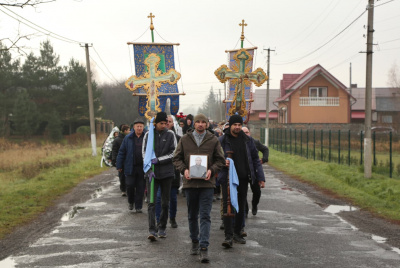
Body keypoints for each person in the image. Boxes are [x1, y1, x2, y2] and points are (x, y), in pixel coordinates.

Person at [173, 113, 225, 263]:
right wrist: (184, 170)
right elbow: (176, 158)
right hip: (190, 184)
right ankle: (194, 241)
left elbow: (220, 160)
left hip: (207, 184)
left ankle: (204, 247)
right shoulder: (185, 140)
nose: (200, 124)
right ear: (194, 124)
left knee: (205, 216)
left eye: (203, 122)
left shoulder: (213, 140)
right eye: (198, 122)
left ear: (207, 124)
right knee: (192, 215)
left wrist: (212, 170)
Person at [218, 115, 265, 248]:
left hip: (243, 179)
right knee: (228, 206)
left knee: (239, 206)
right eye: (235, 125)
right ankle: (228, 236)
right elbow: (214, 157)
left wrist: (260, 177)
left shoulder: (248, 140)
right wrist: (223, 163)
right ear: (231, 125)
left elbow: (256, 159)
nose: (237, 127)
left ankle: (237, 233)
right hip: (227, 178)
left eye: (239, 124)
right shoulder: (222, 140)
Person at [143, 112, 177, 241]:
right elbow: (144, 153)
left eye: (166, 123)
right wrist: (147, 170)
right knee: (151, 202)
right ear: (155, 123)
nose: (164, 125)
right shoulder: (148, 135)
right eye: (161, 123)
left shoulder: (170, 134)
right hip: (152, 174)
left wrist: (159, 160)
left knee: (165, 202)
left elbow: (174, 152)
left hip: (167, 173)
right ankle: (152, 229)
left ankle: (162, 227)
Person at [155, 115, 181, 229]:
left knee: (172, 198)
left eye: (169, 122)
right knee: (159, 198)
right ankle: (159, 221)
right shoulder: (153, 135)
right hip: (157, 172)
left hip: (172, 172)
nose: (167, 124)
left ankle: (173, 217)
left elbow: (178, 154)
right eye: (166, 122)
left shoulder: (177, 138)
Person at [116, 118, 146, 212]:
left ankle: (138, 206)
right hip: (130, 166)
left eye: (141, 126)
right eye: (137, 126)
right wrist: (119, 165)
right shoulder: (128, 138)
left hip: (142, 167)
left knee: (140, 187)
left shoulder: (147, 137)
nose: (139, 128)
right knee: (129, 185)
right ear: (134, 127)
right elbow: (122, 152)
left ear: (143, 127)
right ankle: (131, 201)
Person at [242, 126, 269, 216]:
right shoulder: (238, 143)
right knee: (242, 192)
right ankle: (245, 209)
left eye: (247, 132)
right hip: (243, 171)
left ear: (249, 133)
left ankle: (254, 205)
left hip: (254, 171)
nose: (245, 134)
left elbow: (265, 149)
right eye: (243, 132)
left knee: (257, 191)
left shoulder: (255, 142)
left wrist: (264, 159)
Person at [112, 124, 130, 196]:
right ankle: (123, 189)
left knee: (129, 175)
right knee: (122, 176)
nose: (130, 131)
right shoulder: (117, 140)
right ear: (125, 131)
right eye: (129, 130)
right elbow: (114, 151)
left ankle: (129, 188)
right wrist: (114, 160)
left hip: (128, 160)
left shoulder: (129, 138)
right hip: (121, 160)